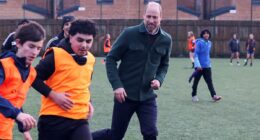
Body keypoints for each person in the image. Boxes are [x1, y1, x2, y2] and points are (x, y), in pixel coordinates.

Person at [92, 2, 172, 140]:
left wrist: (159, 79)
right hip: (124, 97)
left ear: (161, 18)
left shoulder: (166, 39)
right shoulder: (129, 34)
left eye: (155, 17)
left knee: (150, 132)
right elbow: (111, 59)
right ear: (143, 16)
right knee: (115, 136)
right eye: (148, 16)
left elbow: (164, 65)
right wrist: (117, 86)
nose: (151, 20)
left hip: (147, 96)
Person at [32, 19, 96, 140]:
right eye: (80, 40)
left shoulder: (91, 59)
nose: (84, 45)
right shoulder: (55, 55)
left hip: (80, 120)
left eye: (88, 41)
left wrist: (89, 102)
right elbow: (33, 78)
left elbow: (85, 84)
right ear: (70, 37)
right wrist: (54, 95)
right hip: (53, 119)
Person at [0, 21, 46, 140]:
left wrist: (23, 126)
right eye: (31, 46)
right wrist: (17, 114)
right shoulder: (4, 66)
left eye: (38, 48)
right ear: (19, 43)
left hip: (5, 133)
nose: (35, 52)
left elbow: (14, 101)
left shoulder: (31, 73)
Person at [191, 29, 222, 102]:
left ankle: (214, 96)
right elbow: (196, 54)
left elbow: (207, 54)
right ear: (202, 35)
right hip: (199, 67)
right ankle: (194, 95)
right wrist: (198, 65)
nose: (206, 35)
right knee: (196, 81)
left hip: (207, 66)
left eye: (207, 33)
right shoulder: (199, 43)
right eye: (204, 33)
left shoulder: (209, 43)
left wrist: (208, 62)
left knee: (209, 81)